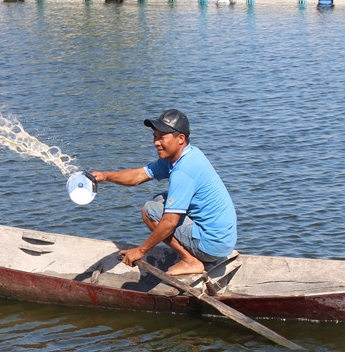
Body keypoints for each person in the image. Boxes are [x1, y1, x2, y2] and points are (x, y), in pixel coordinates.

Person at [92, 108, 237, 276]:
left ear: (180, 138)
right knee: (160, 200)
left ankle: (191, 261)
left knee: (149, 210)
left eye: (162, 137)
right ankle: (195, 254)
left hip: (212, 245)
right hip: (224, 241)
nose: (156, 142)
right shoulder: (186, 155)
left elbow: (169, 222)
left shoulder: (183, 171)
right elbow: (139, 175)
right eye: (155, 137)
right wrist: (105, 176)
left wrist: (141, 250)